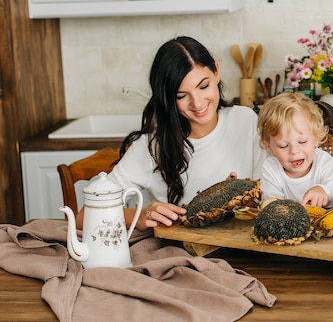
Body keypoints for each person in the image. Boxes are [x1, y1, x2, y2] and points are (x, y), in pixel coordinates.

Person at [77, 36, 266, 230]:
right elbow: (83, 217)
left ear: (216, 72)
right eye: (181, 96)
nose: (198, 103)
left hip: (244, 246)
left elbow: (270, 190)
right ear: (167, 98)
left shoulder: (247, 121)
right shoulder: (152, 147)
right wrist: (139, 215)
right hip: (182, 253)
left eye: (204, 86)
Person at [257, 92, 333, 208]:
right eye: (283, 146)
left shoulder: (325, 162)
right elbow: (272, 204)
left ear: (316, 139)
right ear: (269, 148)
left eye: (302, 142)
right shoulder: (270, 168)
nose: (294, 151)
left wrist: (324, 190)